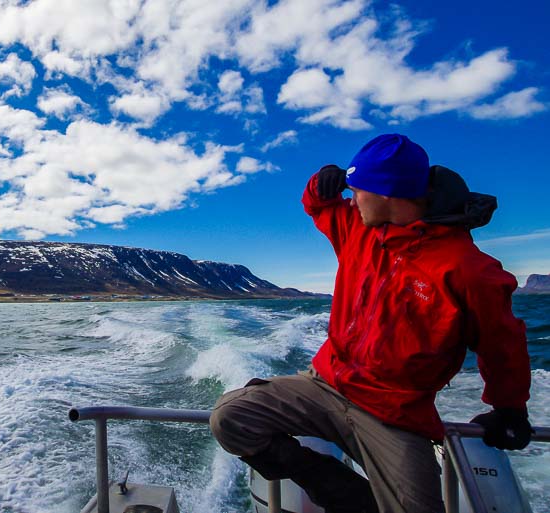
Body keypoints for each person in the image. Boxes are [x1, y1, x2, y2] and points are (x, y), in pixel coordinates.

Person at [209, 134, 532, 513]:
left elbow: (501, 342)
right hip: (325, 384)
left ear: (386, 194)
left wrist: (509, 409)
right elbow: (316, 205)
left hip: (395, 411)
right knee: (231, 417)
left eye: (356, 188)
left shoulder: (468, 270)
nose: (350, 197)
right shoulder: (357, 227)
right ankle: (336, 487)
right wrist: (321, 181)